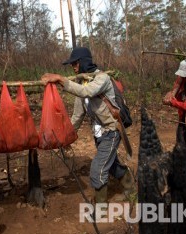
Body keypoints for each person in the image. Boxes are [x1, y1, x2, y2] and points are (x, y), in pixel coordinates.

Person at [41, 47, 134, 204]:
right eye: (72, 65)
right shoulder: (81, 82)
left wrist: (61, 80)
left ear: (84, 62)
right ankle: (130, 188)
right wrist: (66, 138)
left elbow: (87, 92)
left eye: (75, 63)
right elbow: (78, 115)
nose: (74, 67)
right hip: (99, 133)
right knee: (110, 164)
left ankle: (100, 207)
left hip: (112, 131)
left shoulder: (101, 78)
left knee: (98, 169)